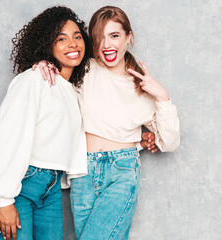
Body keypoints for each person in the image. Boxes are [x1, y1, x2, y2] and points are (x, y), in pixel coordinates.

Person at [34, 5, 180, 240]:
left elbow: (170, 142)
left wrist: (163, 97)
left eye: (114, 36)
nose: (107, 45)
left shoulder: (142, 87)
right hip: (82, 173)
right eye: (100, 37)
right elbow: (54, 97)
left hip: (121, 172)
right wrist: (43, 66)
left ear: (128, 37)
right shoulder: (85, 70)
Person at [0, 6, 91, 240]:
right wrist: (4, 199)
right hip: (19, 186)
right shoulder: (34, 79)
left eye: (77, 37)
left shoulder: (71, 91)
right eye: (61, 38)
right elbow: (8, 137)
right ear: (47, 44)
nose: (73, 44)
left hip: (50, 190)